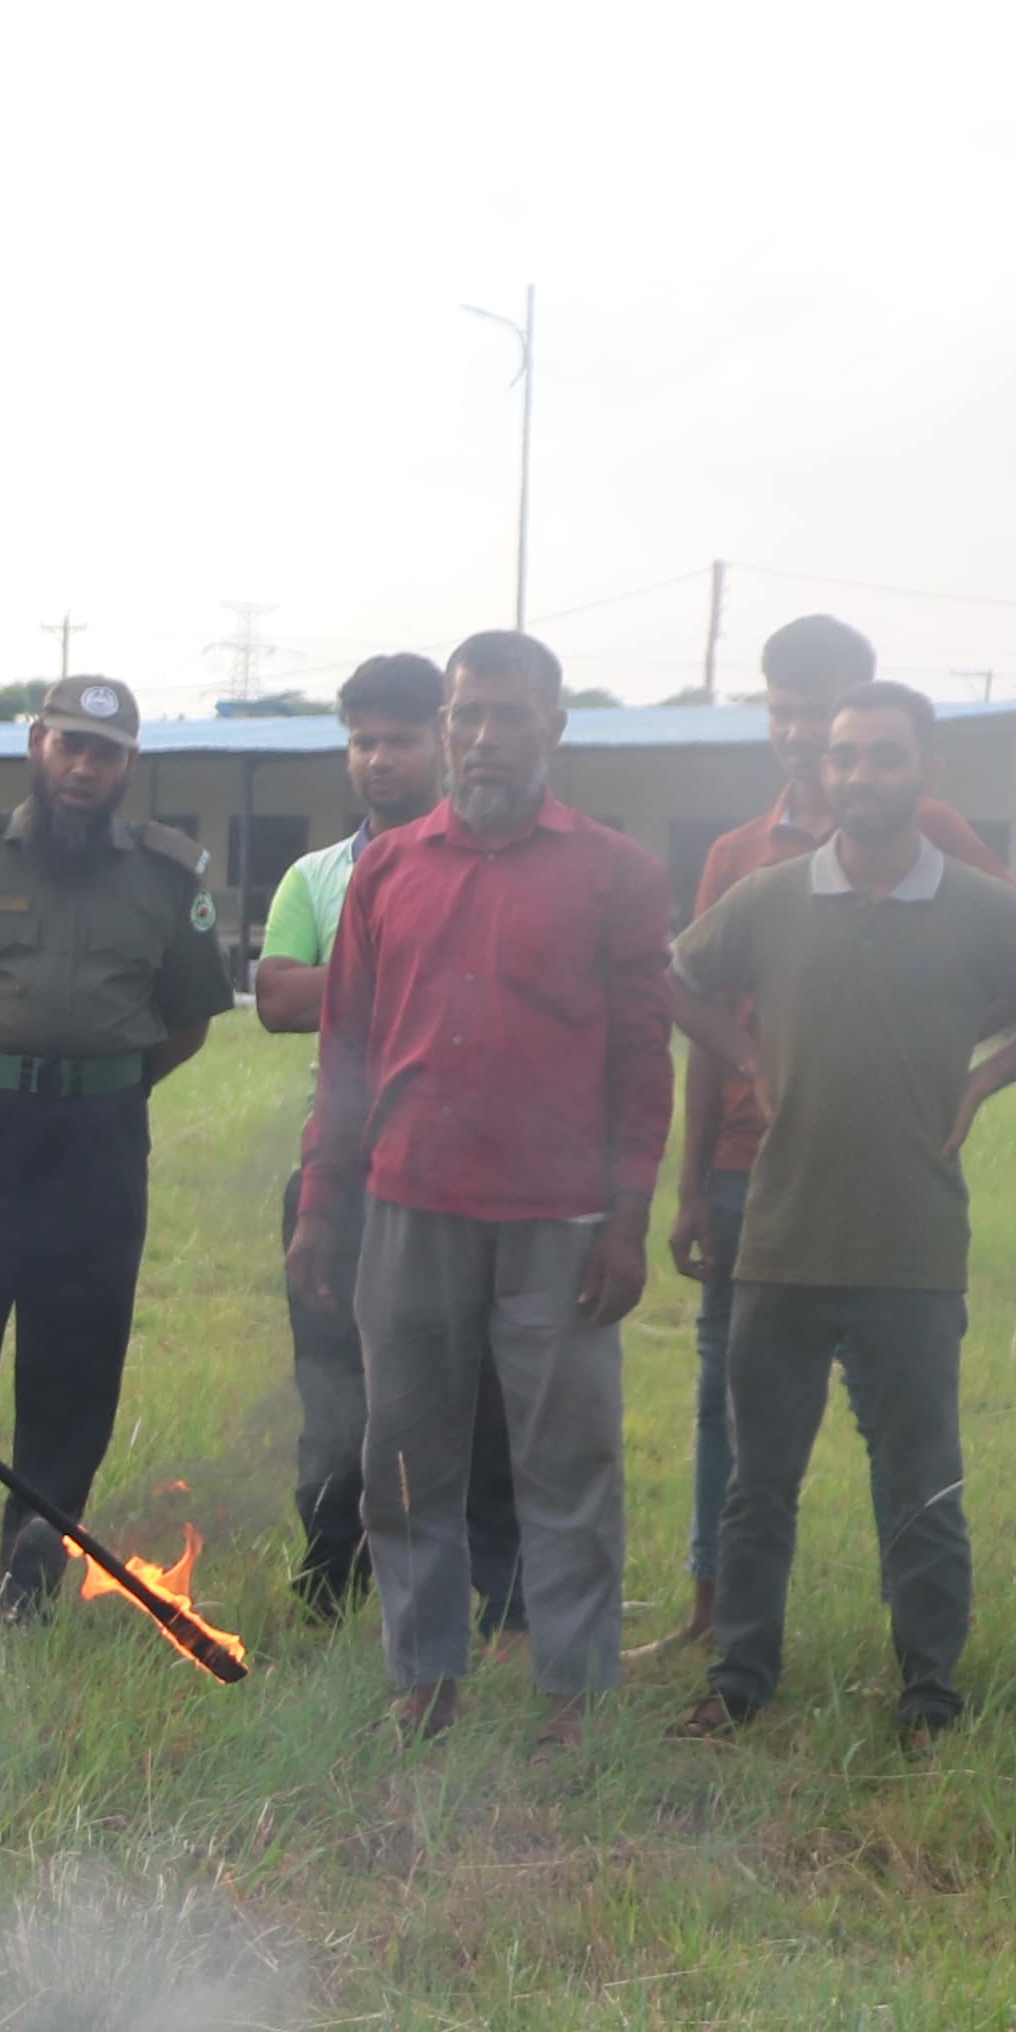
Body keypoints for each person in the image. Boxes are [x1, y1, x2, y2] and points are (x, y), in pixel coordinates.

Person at [665, 683, 1016, 1737]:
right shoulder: (766, 897)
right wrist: (745, 1054)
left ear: (927, 774)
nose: (860, 776)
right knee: (760, 1484)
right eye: (845, 757)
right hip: (780, 1241)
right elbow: (672, 978)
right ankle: (740, 1680)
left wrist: (985, 1082)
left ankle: (929, 1690)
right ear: (825, 771)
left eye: (884, 758)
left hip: (913, 1245)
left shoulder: (980, 907)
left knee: (921, 1484)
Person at [287, 628, 669, 1741]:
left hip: (562, 1220)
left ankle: (573, 1689)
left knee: (567, 1463)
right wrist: (323, 1208)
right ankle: (426, 1677)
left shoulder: (616, 871)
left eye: (508, 715)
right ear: (447, 727)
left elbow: (645, 1062)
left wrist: (628, 1223)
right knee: (404, 1454)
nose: (484, 739)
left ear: (554, 724)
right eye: (466, 717)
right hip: (408, 1207)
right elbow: (346, 1051)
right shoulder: (390, 872)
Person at [0, 672, 229, 1617]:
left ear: (129, 765)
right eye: (68, 744)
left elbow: (191, 1018)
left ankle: (30, 1583)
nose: (82, 766)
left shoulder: (168, 875)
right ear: (37, 744)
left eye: (103, 752)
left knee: (75, 1368)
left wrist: (101, 1088)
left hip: (98, 1146)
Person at [249, 654, 517, 1634]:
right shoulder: (318, 876)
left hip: (475, 1180)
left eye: (399, 739)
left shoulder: (495, 866)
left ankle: (501, 1594)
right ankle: (332, 1576)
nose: (379, 759)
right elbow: (277, 995)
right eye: (362, 741)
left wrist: (365, 986)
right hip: (345, 1169)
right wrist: (405, 977)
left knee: (484, 1393)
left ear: (443, 740)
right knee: (336, 1387)